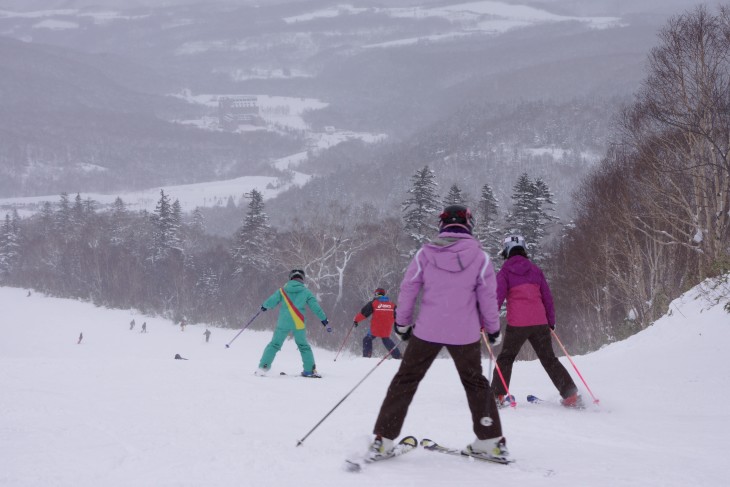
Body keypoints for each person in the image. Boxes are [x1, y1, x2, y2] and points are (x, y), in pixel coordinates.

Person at [367, 205, 508, 462]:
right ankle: (490, 441)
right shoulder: (481, 258)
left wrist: (402, 324)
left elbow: (409, 288)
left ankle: (383, 441)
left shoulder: (425, 254)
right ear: (469, 225)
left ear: (442, 226)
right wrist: (493, 329)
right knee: (475, 383)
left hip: (428, 331)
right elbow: (488, 297)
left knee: (406, 380)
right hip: (464, 334)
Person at [491, 235, 581, 408]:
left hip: (517, 325)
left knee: (506, 358)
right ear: (523, 249)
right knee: (549, 358)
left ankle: (497, 396)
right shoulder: (535, 270)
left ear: (506, 251)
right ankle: (570, 395)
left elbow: (496, 298)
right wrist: (551, 321)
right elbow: (547, 298)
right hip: (540, 323)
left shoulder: (505, 272)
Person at [256, 269, 331, 378]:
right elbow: (316, 308)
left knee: (274, 344)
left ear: (290, 278)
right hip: (298, 323)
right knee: (303, 346)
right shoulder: (306, 292)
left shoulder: (282, 291)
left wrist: (264, 307)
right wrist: (324, 320)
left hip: (283, 322)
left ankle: (263, 368)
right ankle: (309, 370)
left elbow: (271, 301)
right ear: (302, 279)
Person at [353, 288, 402, 359]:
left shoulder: (373, 303)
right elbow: (398, 317)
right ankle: (397, 356)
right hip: (386, 328)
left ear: (376, 294)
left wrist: (356, 320)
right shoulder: (392, 305)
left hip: (376, 327)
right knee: (386, 340)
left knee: (367, 339)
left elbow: (364, 313)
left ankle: (367, 356)